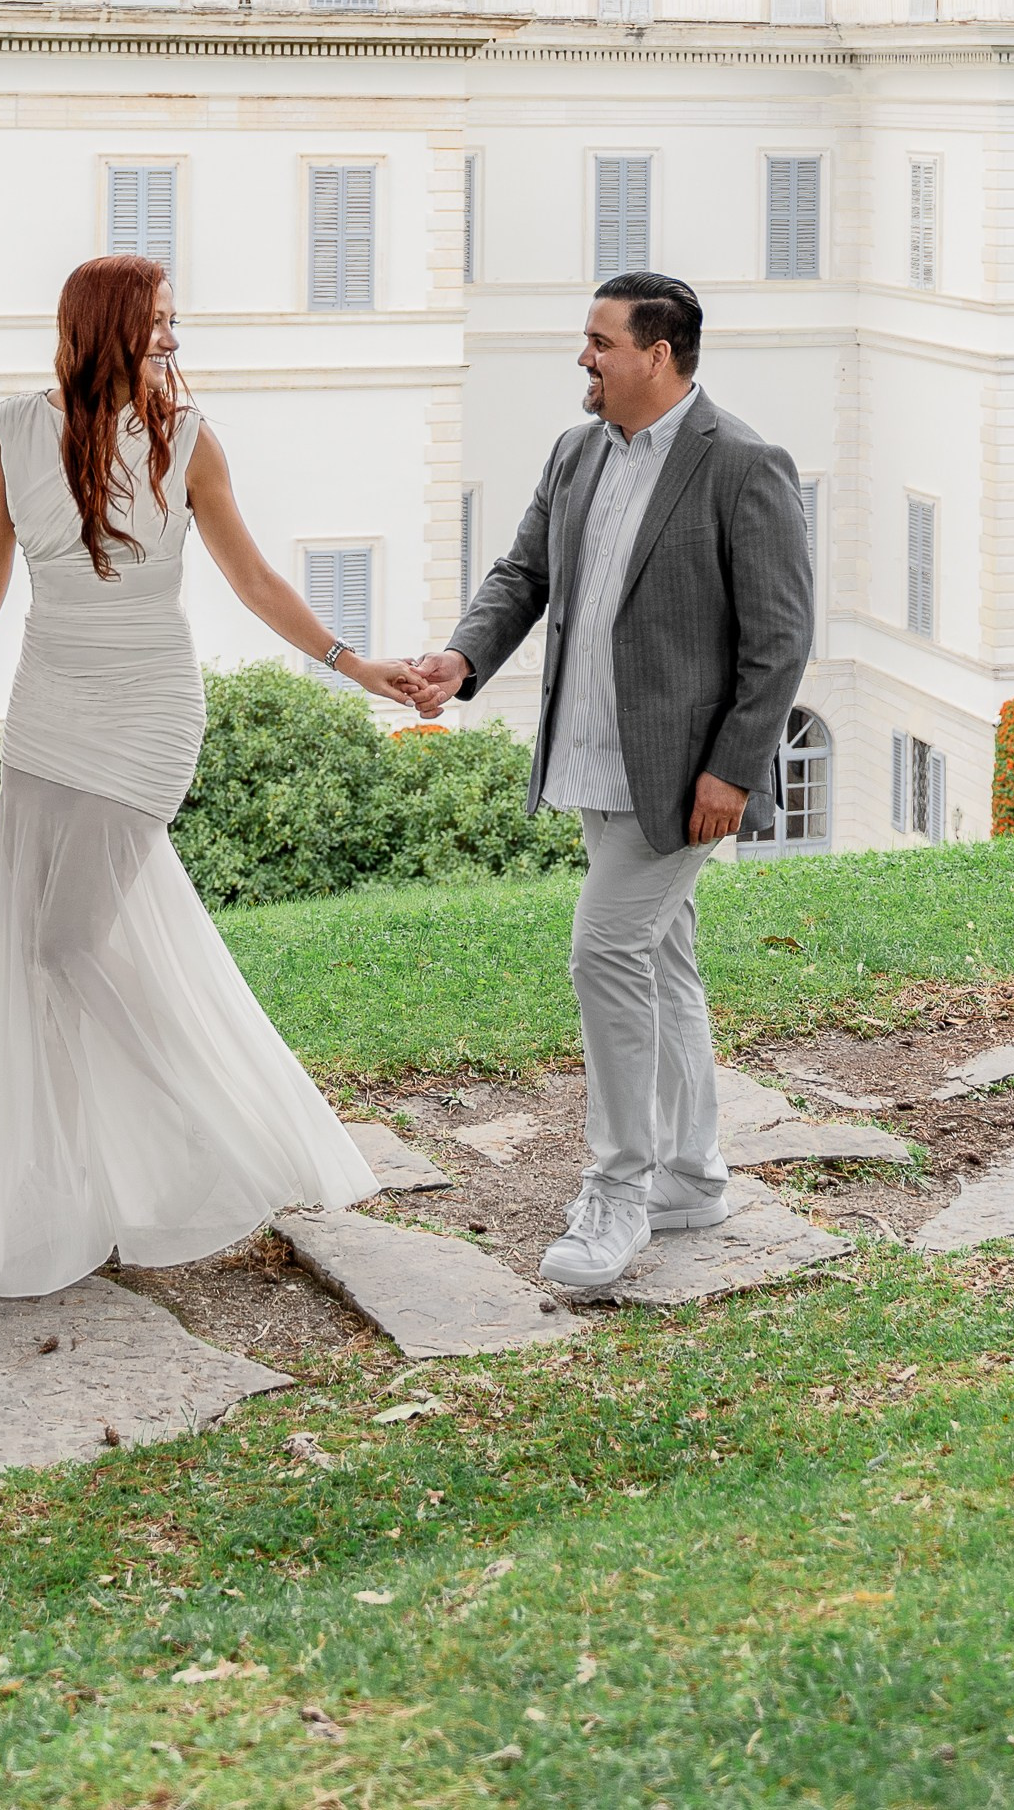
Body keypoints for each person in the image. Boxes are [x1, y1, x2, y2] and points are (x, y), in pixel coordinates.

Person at [0, 253, 418, 1293]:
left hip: (146, 712)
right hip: (47, 707)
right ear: (101, 328)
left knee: (63, 945)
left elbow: (251, 577)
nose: (173, 342)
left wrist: (351, 663)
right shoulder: (13, 428)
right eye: (156, 324)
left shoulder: (188, 441)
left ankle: (229, 1135)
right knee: (30, 951)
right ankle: (67, 1195)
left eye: (175, 324)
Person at [407, 271, 814, 1297]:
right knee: (660, 961)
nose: (582, 358)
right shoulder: (574, 453)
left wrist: (730, 769)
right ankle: (690, 1173)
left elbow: (779, 639)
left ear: (657, 355)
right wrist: (461, 660)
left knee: (604, 953)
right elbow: (522, 576)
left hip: (682, 781)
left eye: (598, 342)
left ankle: (619, 1192)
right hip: (590, 760)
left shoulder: (743, 465)